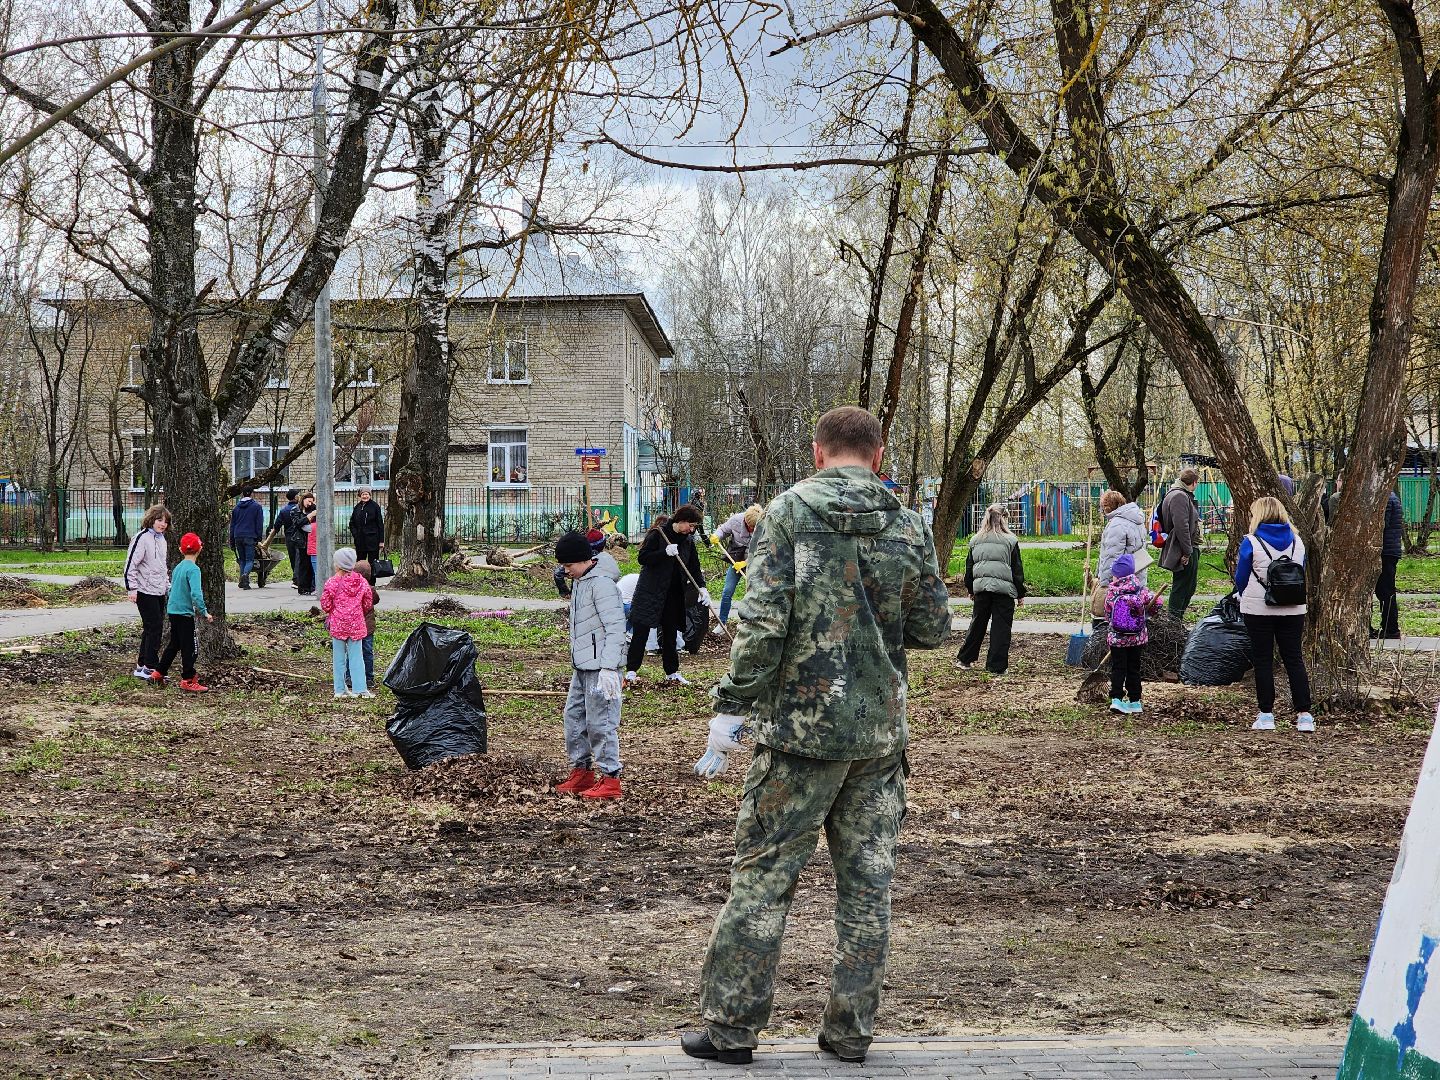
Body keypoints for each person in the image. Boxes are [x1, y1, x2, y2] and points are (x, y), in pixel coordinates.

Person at [682, 406, 951, 1067]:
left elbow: (762, 622)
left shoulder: (789, 513)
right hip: (877, 737)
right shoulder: (907, 521)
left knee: (764, 880)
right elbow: (933, 629)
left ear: (818, 450)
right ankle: (851, 1032)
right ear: (879, 453)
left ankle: (732, 1030)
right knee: (868, 886)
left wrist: (731, 708)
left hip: (800, 736)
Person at [553, 530, 627, 801]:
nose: (565, 570)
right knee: (574, 718)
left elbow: (616, 628)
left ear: (584, 560)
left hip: (602, 668)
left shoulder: (602, 585)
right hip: (583, 665)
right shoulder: (581, 581)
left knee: (601, 722)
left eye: (568, 565)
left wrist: (609, 668)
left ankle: (610, 778)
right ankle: (582, 771)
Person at [1234, 496, 1315, 733]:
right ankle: (1304, 714)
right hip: (1293, 607)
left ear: (1257, 515)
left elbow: (1241, 575)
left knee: (1263, 659)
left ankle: (1266, 714)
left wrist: (1244, 593)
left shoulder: (1251, 541)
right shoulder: (1297, 541)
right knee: (1294, 658)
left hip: (1259, 608)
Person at [625, 504, 708, 686]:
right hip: (651, 591)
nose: (692, 530)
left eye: (694, 527)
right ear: (681, 520)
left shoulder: (687, 541)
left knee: (670, 633)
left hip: (673, 594)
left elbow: (694, 567)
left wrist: (702, 587)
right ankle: (631, 671)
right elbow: (643, 557)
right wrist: (664, 553)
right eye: (691, 525)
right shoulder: (658, 534)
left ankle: (672, 672)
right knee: (641, 631)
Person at [954, 503, 1025, 675]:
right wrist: (1020, 592)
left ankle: (965, 659)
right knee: (1001, 627)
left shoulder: (975, 540)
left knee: (977, 623)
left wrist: (970, 589)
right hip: (1004, 590)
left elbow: (969, 567)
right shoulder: (1011, 540)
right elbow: (1017, 569)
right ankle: (996, 666)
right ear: (1003, 519)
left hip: (982, 590)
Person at [152, 531, 213, 692]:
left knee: (175, 644)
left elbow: (172, 589)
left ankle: (159, 672)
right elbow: (196, 593)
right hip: (185, 614)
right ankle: (188, 678)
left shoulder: (178, 567)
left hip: (173, 611)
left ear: (180, 550)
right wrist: (204, 611)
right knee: (190, 647)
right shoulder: (194, 569)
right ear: (200, 549)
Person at [1104, 552, 1160, 715]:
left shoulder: (1112, 592)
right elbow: (1156, 604)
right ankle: (1135, 701)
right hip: (1137, 639)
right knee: (1134, 669)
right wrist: (1148, 610)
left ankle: (1116, 700)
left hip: (1117, 639)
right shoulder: (1140, 590)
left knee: (1118, 668)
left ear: (1117, 575)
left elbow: (1108, 614)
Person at [123, 504, 171, 681]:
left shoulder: (162, 539)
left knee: (150, 628)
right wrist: (132, 588)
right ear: (151, 520)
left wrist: (167, 585)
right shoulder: (141, 538)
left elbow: (161, 566)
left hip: (158, 590)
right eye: (159, 520)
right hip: (143, 590)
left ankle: (142, 666)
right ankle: (151, 666)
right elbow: (131, 564)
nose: (162, 524)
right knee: (155, 627)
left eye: (165, 522)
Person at [320, 546, 374, 700]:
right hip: (356, 624)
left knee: (338, 658)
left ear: (337, 565)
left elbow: (325, 604)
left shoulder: (332, 583)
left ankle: (340, 690)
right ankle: (360, 689)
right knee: (357, 657)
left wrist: (334, 611)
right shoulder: (361, 581)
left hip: (338, 625)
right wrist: (358, 612)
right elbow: (368, 602)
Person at [1158, 468, 1202, 618]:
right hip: (1182, 547)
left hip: (1185, 546)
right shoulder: (1179, 496)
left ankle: (1177, 622)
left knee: (1188, 586)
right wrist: (1187, 551)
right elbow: (1181, 526)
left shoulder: (1177, 494)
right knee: (1182, 586)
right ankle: (1174, 623)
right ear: (1194, 482)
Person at [711, 504, 763, 628]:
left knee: (753, 593)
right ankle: (722, 623)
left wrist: (746, 563)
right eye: (749, 526)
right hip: (736, 561)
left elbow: (762, 550)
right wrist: (716, 536)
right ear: (745, 519)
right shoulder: (736, 520)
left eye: (753, 527)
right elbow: (723, 530)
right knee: (727, 591)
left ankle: (751, 623)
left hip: (754, 563)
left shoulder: (763, 526)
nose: (751, 529)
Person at [1096, 490, 1147, 587]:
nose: (1103, 510)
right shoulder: (1137, 520)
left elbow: (1112, 556)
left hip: (1120, 583)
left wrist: (1105, 583)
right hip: (1137, 577)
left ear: (1108, 507)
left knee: (1121, 603)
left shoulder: (1117, 524)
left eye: (1104, 506)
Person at [1374, 488, 1403, 641]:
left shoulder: (1384, 497)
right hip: (1390, 550)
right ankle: (1389, 627)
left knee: (1385, 592)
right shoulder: (1392, 496)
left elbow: (1379, 524)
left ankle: (1390, 628)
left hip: (1385, 551)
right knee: (1386, 591)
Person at [351, 557, 382, 690]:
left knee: (352, 652)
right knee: (367, 652)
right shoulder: (370, 589)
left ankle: (349, 676)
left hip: (353, 627)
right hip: (367, 628)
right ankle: (369, 678)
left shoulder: (350, 589)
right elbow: (376, 600)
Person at [229, 487, 265, 589]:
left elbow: (232, 526)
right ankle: (245, 576)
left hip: (238, 536)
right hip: (250, 536)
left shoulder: (236, 508)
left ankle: (243, 582)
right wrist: (258, 537)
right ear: (252, 494)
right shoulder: (256, 507)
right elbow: (259, 523)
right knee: (249, 560)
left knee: (242, 560)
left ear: (242, 495)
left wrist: (232, 541)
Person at [349, 487, 384, 565]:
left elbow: (380, 524)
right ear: (360, 496)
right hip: (360, 541)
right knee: (360, 563)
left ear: (370, 495)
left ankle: (372, 577)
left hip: (373, 541)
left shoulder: (375, 506)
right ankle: (360, 577)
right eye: (363, 494)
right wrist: (355, 534)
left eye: (367, 494)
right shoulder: (357, 507)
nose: (365, 496)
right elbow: (352, 523)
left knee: (373, 563)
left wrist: (381, 541)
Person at [302, 492, 319, 591]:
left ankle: (316, 588)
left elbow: (301, 526)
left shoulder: (311, 527)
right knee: (318, 571)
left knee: (315, 571)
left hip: (313, 551)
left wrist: (307, 516)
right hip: (320, 551)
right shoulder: (320, 526)